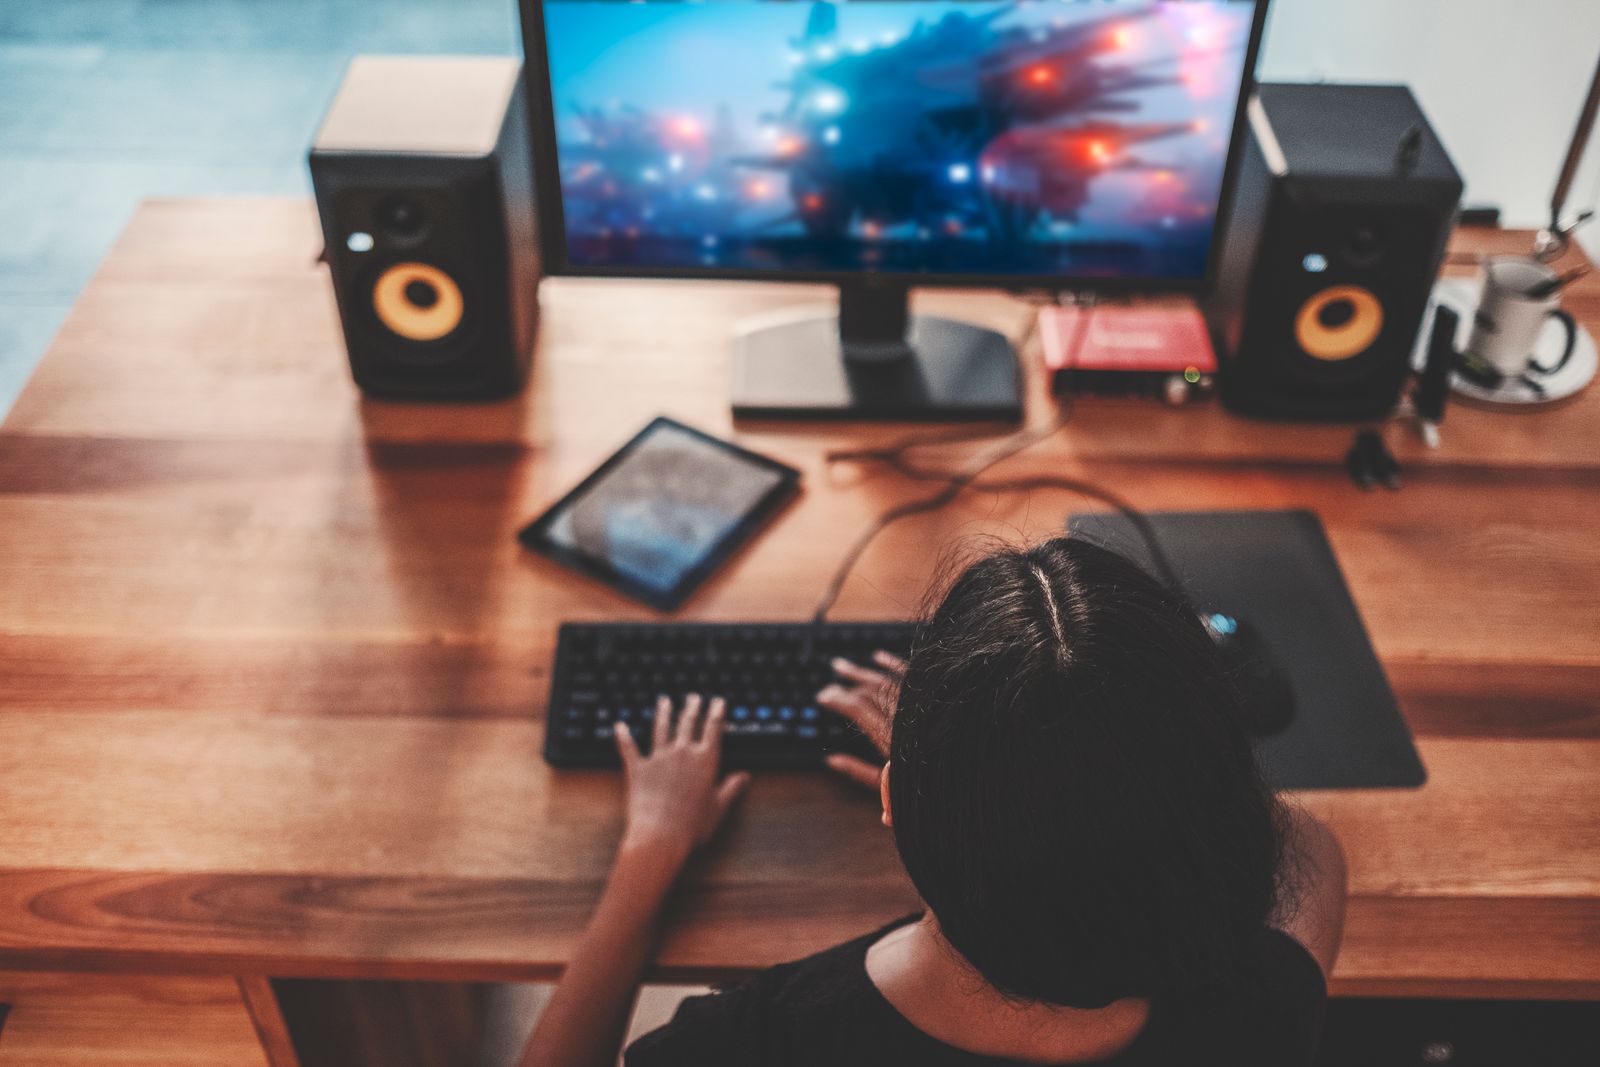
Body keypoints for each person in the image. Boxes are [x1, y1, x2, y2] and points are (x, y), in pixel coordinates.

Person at [519, 538, 1347, 1067]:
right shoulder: (1261, 1010)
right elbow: (1306, 845)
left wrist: (649, 852)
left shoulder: (746, 1044)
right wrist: (1041, 767)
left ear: (891, 796)